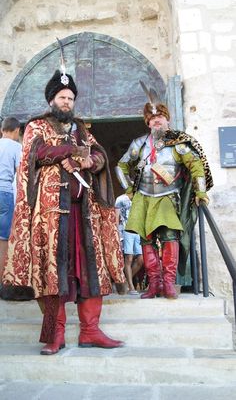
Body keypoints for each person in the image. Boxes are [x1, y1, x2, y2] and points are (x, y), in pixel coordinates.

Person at [0, 65, 126, 355]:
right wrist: (68, 151)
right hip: (51, 216)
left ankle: (91, 331)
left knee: (89, 271)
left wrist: (87, 162)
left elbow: (100, 154)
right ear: (51, 100)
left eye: (70, 98)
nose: (66, 102)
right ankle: (55, 335)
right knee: (52, 273)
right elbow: (34, 153)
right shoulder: (36, 126)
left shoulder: (81, 128)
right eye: (62, 98)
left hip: (85, 215)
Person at [115, 88, 213, 300]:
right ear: (147, 122)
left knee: (169, 238)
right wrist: (129, 190)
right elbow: (121, 166)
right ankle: (154, 284)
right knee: (146, 240)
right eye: (152, 118)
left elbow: (196, 167)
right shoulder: (139, 144)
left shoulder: (179, 144)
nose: (156, 121)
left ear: (167, 119)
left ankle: (168, 283)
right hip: (142, 197)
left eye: (159, 117)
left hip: (168, 197)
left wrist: (201, 192)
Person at [0, 117, 21, 281]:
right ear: (16, 131)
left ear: (2, 130)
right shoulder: (16, 147)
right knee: (3, 239)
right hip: (5, 192)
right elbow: (20, 175)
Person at [115, 193, 143, 294]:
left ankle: (125, 281)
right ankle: (131, 287)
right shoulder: (121, 199)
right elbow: (116, 218)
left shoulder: (141, 197)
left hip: (138, 231)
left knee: (141, 259)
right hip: (126, 231)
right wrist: (117, 234)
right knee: (129, 258)